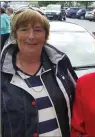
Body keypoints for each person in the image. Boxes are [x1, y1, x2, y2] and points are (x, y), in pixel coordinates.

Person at [1, 7, 78, 137]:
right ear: (15, 34)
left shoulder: (61, 64)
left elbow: (78, 105)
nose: (31, 36)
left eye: (38, 30)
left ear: (46, 35)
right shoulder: (3, 72)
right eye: (24, 30)